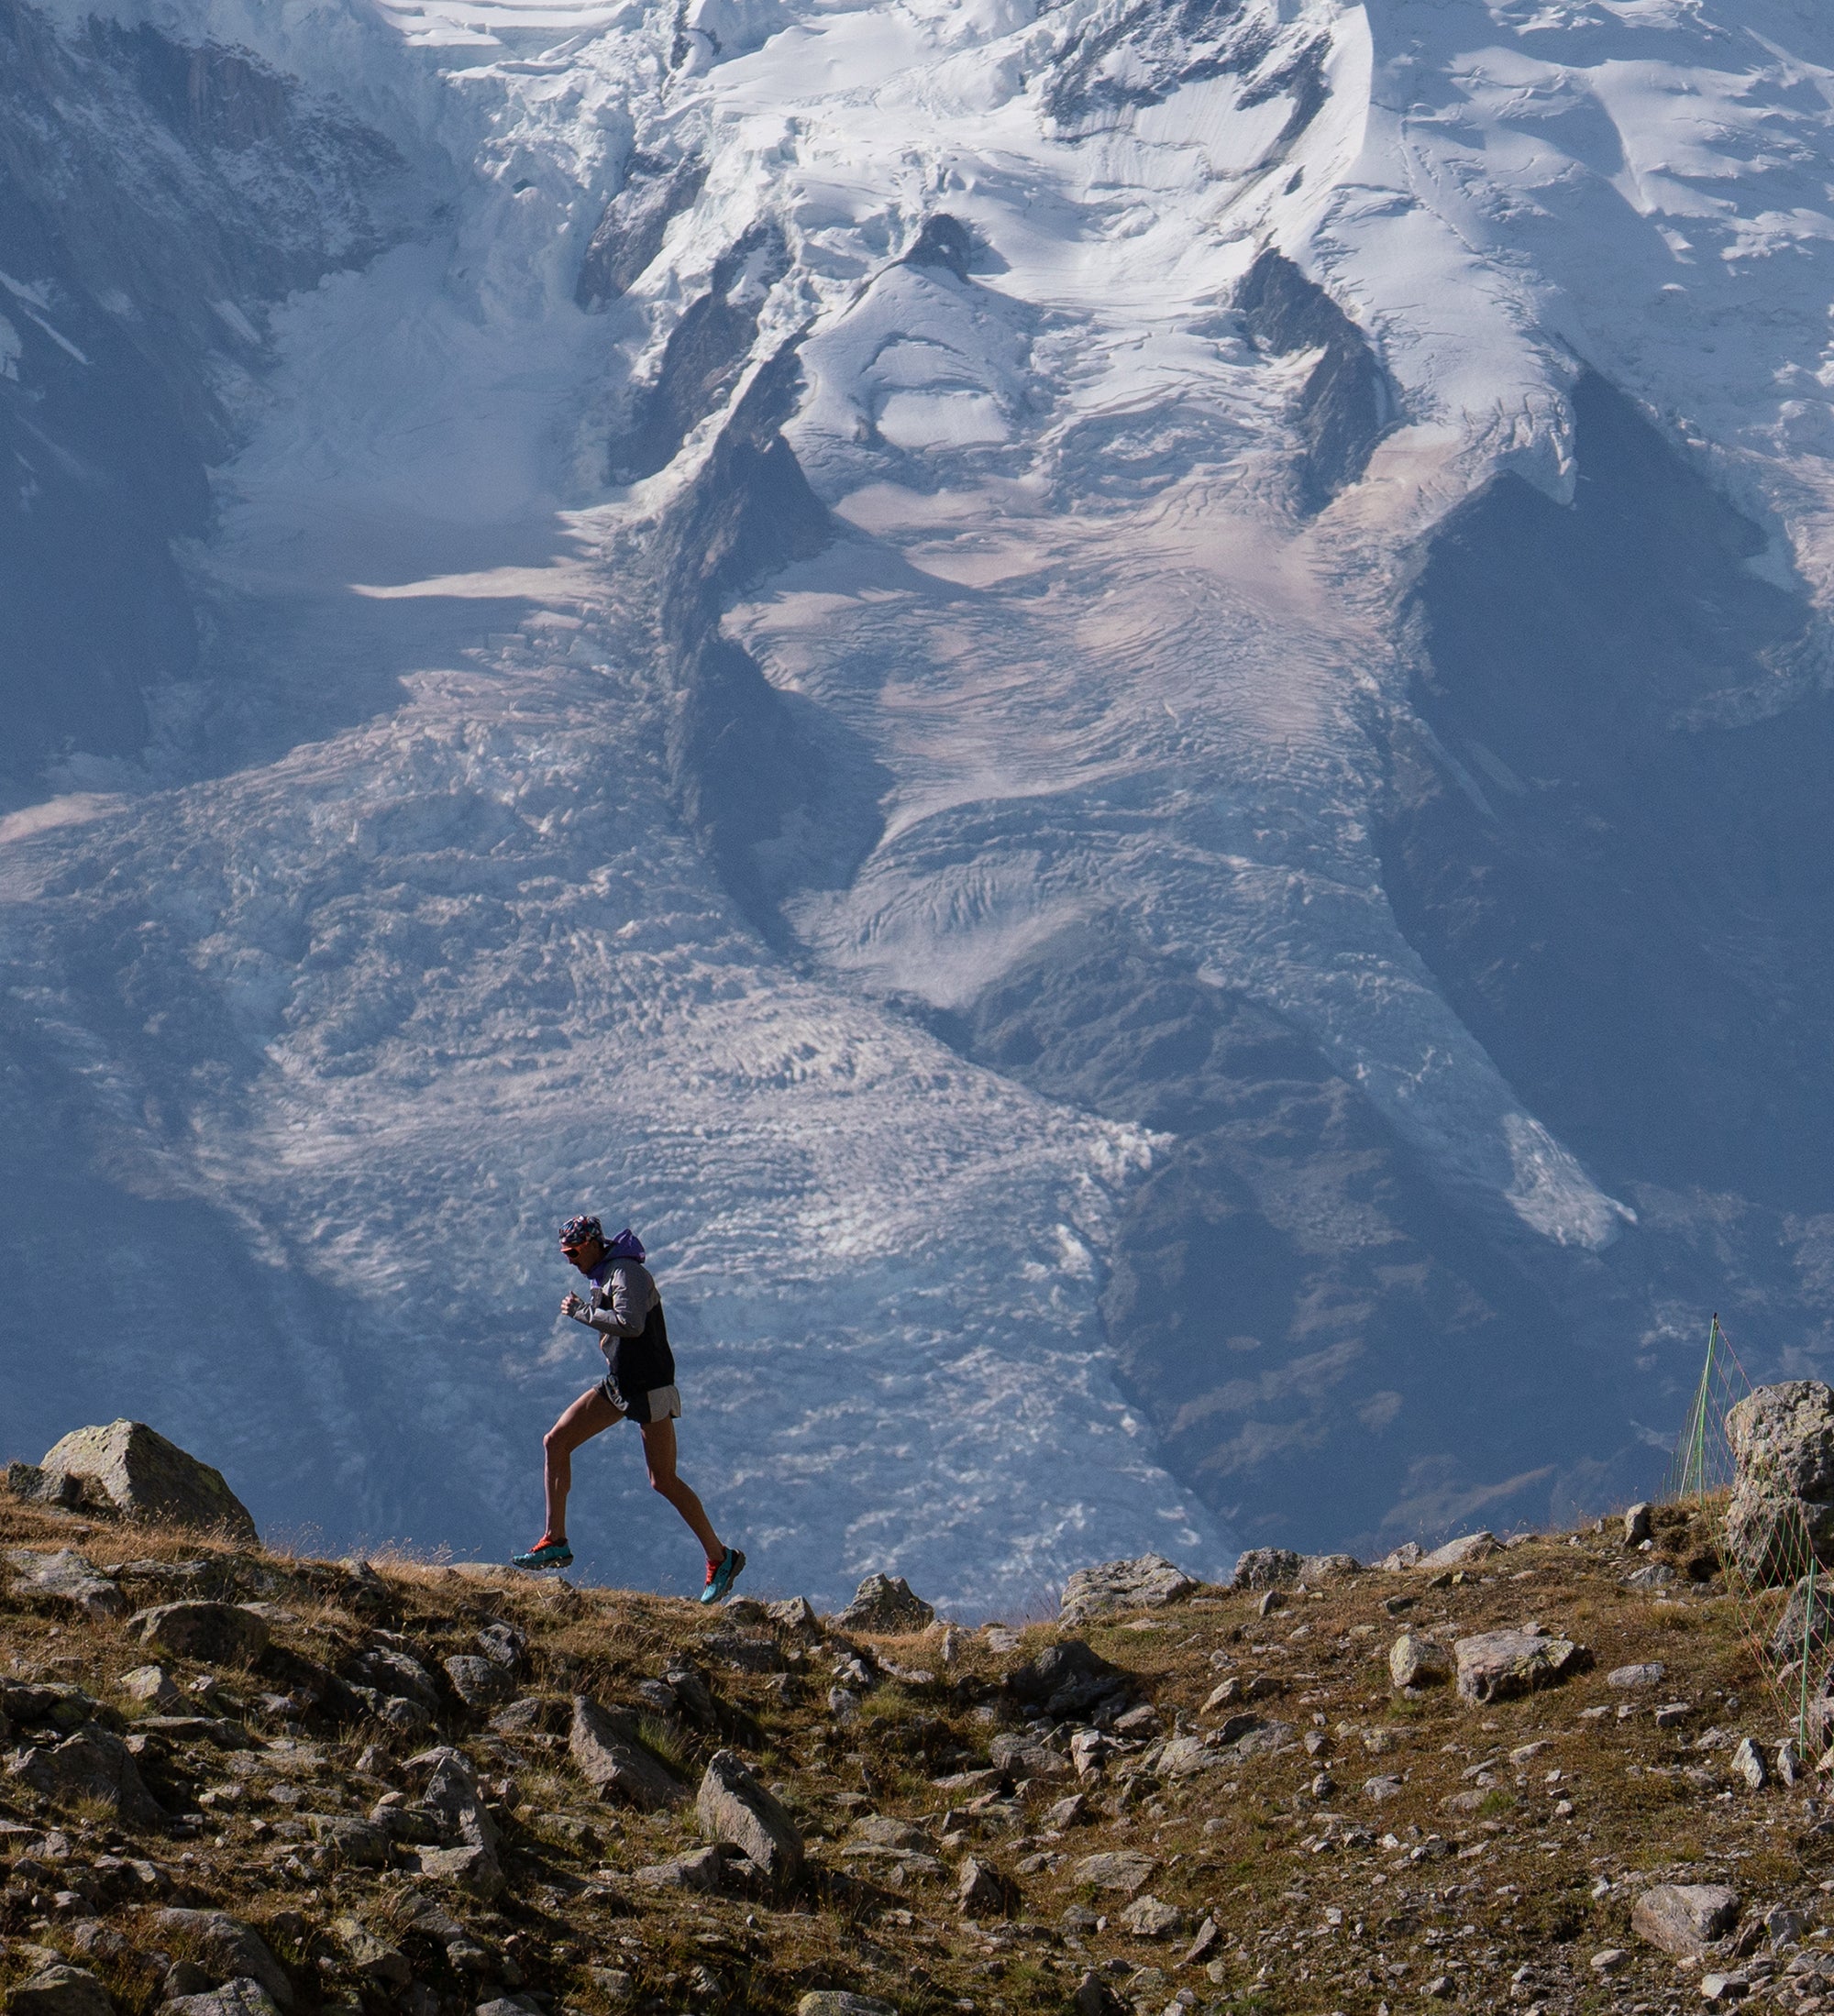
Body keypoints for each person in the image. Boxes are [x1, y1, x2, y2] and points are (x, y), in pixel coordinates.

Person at [513, 1215, 746, 1603]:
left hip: (648, 1389)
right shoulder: (606, 1273)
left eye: (572, 1252)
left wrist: (581, 1313)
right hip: (622, 1385)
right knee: (555, 1442)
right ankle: (555, 1540)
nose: (569, 1259)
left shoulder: (625, 1273)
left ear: (590, 1244)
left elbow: (631, 1324)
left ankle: (720, 1558)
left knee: (663, 1479)